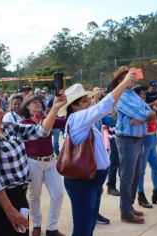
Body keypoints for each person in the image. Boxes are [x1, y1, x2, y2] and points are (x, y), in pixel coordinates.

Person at [0, 93, 66, 236]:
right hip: (2, 201)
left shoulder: (8, 128)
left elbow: (40, 131)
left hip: (19, 194)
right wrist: (11, 211)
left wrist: (55, 108)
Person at [58, 68, 136, 236]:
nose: (90, 103)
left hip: (91, 178)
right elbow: (103, 107)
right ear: (74, 106)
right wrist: (123, 83)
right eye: (85, 101)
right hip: (83, 180)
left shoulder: (83, 120)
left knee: (88, 225)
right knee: (83, 228)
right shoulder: (78, 119)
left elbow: (108, 109)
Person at [112, 66, 157, 224]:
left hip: (138, 138)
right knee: (127, 176)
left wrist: (145, 116)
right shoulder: (121, 95)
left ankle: (129, 207)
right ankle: (125, 211)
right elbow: (143, 113)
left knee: (136, 175)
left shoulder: (132, 94)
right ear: (120, 80)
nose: (134, 79)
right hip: (127, 139)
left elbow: (148, 110)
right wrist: (146, 116)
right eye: (130, 77)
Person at [20, 94, 66, 236]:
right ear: (27, 106)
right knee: (34, 195)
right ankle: (37, 225)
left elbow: (65, 121)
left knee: (58, 193)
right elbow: (40, 130)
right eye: (34, 102)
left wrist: (66, 104)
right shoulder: (24, 123)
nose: (38, 104)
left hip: (50, 161)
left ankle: (52, 228)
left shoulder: (48, 119)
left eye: (39, 102)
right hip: (33, 162)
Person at [133, 86, 157, 209]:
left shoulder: (144, 105)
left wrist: (155, 113)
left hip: (152, 142)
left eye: (144, 93)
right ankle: (141, 194)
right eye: (141, 93)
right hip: (144, 142)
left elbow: (153, 118)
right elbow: (145, 118)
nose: (143, 95)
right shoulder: (136, 108)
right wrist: (155, 109)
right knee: (141, 171)